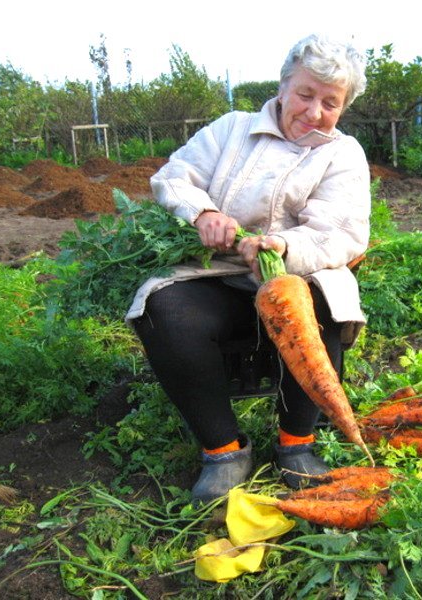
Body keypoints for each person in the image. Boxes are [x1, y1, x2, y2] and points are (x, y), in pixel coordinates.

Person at [125, 34, 371, 504]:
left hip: (297, 277)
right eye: (305, 94)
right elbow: (174, 177)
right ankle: (223, 450)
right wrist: (203, 214)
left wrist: (280, 243)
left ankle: (297, 444)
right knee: (164, 309)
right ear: (282, 87)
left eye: (331, 102)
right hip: (215, 276)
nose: (314, 112)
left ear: (343, 108)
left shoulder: (343, 154)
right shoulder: (231, 129)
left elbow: (340, 233)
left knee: (320, 308)